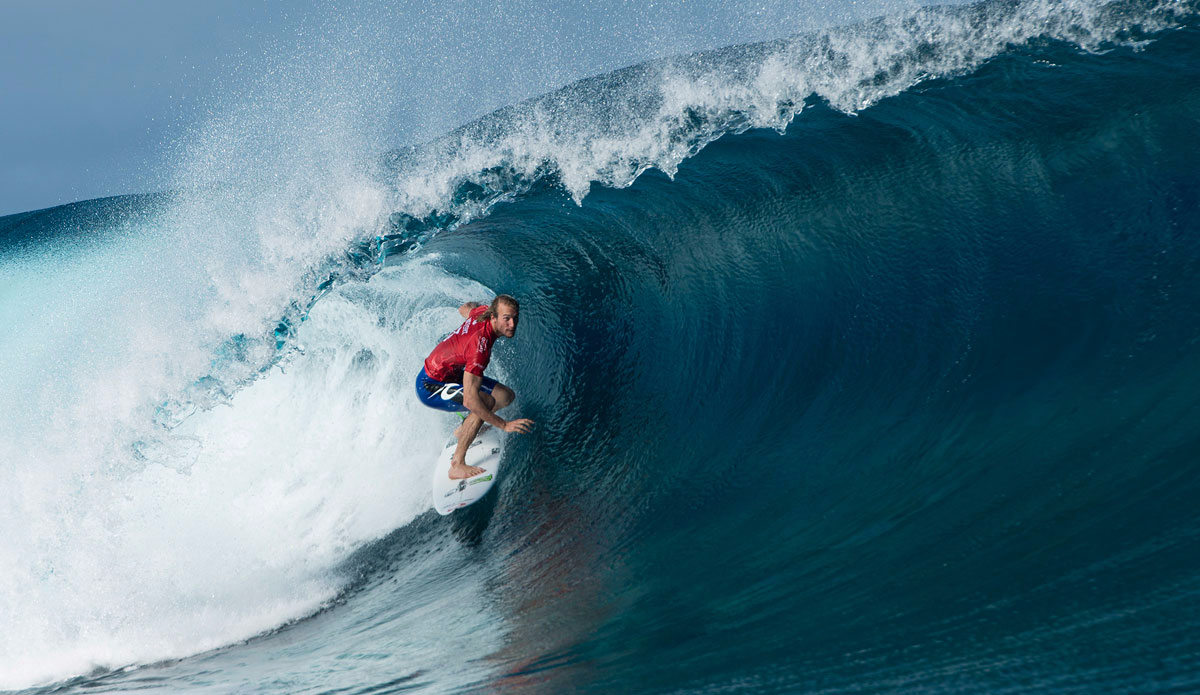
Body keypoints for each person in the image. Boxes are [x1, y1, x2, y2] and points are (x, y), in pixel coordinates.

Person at [415, 294, 534, 479]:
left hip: (451, 375)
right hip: (430, 384)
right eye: (506, 319)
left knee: (504, 396)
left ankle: (464, 429)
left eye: (514, 318)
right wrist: (503, 425)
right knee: (482, 401)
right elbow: (471, 400)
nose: (512, 324)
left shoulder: (483, 312)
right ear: (494, 317)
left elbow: (465, 308)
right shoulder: (480, 347)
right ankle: (457, 464)